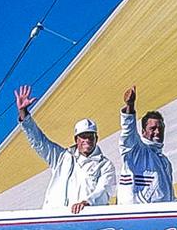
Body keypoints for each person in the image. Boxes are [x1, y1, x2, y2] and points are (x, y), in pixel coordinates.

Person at [14, 85, 116, 213]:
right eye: (83, 136)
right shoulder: (61, 157)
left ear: (96, 138)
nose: (87, 140)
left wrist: (87, 202)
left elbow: (104, 189)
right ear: (76, 139)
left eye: (90, 136)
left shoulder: (105, 165)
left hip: (87, 221)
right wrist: (24, 114)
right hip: (55, 219)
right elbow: (39, 142)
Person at [118, 86, 175, 204]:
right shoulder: (136, 150)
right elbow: (128, 132)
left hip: (160, 218)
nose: (157, 132)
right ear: (143, 131)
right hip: (136, 217)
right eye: (153, 128)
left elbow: (168, 196)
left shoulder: (165, 161)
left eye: (160, 128)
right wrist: (130, 106)